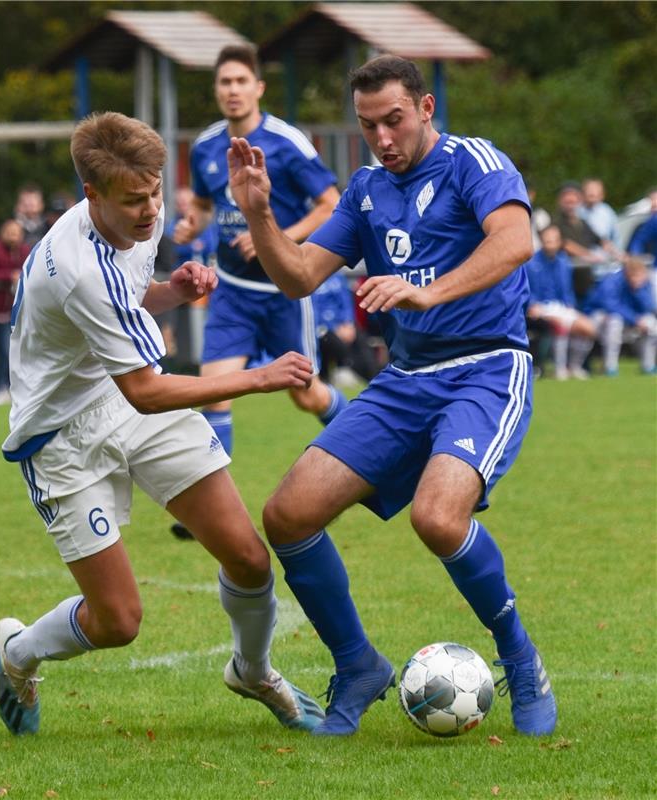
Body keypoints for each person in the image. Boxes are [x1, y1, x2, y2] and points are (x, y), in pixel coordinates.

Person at [227, 55, 558, 738]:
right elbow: (298, 276)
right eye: (368, 125)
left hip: (487, 367)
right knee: (288, 514)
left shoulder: (475, 161)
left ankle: (521, 658)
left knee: (437, 519)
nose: (382, 137)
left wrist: (426, 291)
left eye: (394, 120)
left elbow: (516, 240)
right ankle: (357, 666)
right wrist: (260, 214)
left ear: (426, 107)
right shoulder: (368, 189)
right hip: (407, 378)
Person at [0, 111, 324, 738]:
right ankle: (18, 653)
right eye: (133, 202)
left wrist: (172, 289)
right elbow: (146, 388)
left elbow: (128, 295)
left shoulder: (139, 212)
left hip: (127, 401)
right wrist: (256, 377)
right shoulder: (75, 267)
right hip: (63, 435)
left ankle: (253, 670)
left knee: (249, 558)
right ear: (91, 196)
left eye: (153, 195)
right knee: (118, 621)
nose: (149, 212)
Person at [173, 45, 344, 458]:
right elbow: (202, 203)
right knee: (214, 391)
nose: (233, 90)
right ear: (216, 90)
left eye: (241, 81)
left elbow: (331, 204)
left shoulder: (288, 142)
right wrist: (191, 222)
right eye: (225, 82)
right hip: (231, 290)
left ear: (258, 88)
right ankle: (212, 511)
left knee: (307, 396)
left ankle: (372, 447)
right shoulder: (205, 146)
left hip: (284, 291)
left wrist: (275, 235)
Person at [524, 225, 596, 380]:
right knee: (560, 325)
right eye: (547, 240)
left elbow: (567, 290)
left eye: (553, 240)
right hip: (541, 307)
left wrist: (570, 304)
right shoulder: (531, 263)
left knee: (589, 328)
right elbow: (527, 290)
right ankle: (560, 368)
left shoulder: (563, 262)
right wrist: (532, 305)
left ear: (559, 242)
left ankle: (575, 365)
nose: (550, 243)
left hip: (561, 306)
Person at [0, 219, 29, 403]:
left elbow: (28, 270)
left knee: (6, 352)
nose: (13, 236)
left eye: (16, 232)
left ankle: (0, 389)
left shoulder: (25, 250)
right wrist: (10, 276)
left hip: (11, 314)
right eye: (10, 232)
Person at [583, 255, 657, 375]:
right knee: (614, 322)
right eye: (633, 275)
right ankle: (610, 367)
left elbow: (648, 307)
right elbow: (610, 305)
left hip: (629, 319)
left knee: (652, 324)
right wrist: (634, 319)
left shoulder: (644, 283)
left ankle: (648, 365)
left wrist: (638, 291)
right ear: (627, 273)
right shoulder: (613, 280)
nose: (636, 279)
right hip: (599, 317)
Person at [312, 271, 381, 386]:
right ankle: (346, 373)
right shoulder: (309, 279)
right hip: (322, 328)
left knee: (362, 343)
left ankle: (375, 381)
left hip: (344, 325)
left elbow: (346, 302)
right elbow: (312, 309)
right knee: (333, 343)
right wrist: (332, 326)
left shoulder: (337, 276)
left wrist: (348, 323)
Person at [579, 177, 620, 248]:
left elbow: (616, 236)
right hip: (582, 253)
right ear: (583, 193)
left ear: (602, 195)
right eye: (589, 190)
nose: (592, 193)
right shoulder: (576, 211)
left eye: (596, 190)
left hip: (605, 253)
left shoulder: (607, 211)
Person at [14, 183, 50, 248]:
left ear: (41, 205)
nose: (28, 205)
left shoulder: (49, 225)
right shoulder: (10, 228)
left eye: (32, 203)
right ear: (17, 206)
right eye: (24, 202)